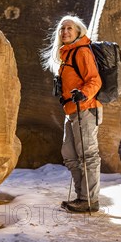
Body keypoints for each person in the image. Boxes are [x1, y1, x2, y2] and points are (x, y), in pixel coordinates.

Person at [41, 14, 103, 212]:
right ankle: (81, 197)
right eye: (62, 29)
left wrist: (83, 94)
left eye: (69, 28)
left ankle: (89, 200)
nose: (65, 31)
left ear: (78, 32)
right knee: (69, 155)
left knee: (88, 155)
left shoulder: (81, 52)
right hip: (72, 111)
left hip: (86, 108)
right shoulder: (66, 54)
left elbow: (95, 80)